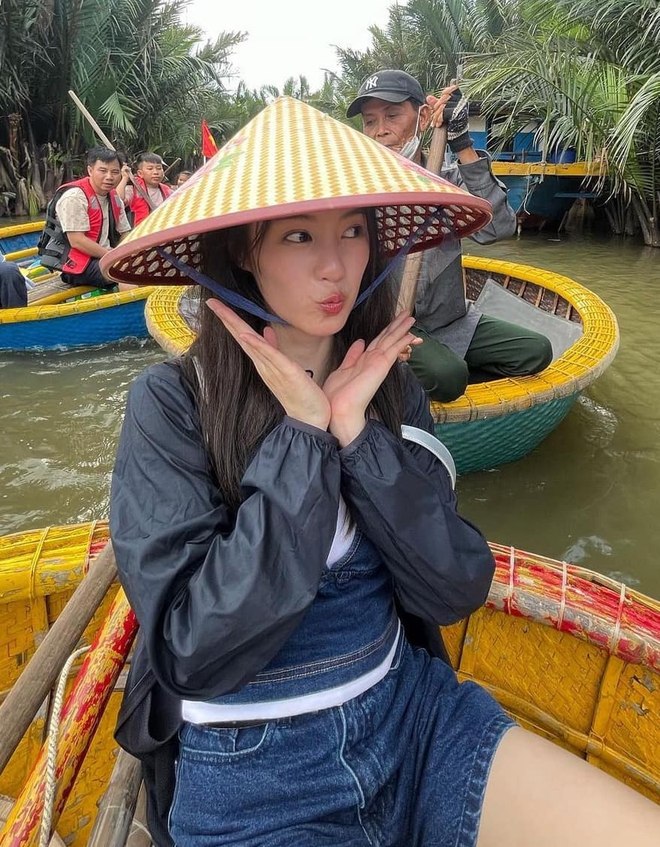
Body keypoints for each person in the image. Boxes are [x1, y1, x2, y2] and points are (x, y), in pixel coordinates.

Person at [103, 98, 660, 847]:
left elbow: (454, 587)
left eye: (354, 231)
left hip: (413, 717)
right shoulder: (172, 404)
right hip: (252, 771)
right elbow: (194, 650)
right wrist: (304, 437)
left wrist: (359, 436)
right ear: (243, 252)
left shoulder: (391, 387)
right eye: (299, 235)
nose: (335, 265)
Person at [348, 70, 553, 401]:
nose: (380, 130)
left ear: (423, 118)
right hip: (389, 325)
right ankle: (409, 375)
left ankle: (436, 371)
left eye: (392, 115)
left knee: (536, 351)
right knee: (447, 376)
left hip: (453, 321)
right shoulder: (359, 190)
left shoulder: (449, 182)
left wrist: (461, 143)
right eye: (370, 122)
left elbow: (498, 228)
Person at [38, 146, 134, 291]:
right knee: (124, 273)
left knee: (142, 266)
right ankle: (132, 304)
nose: (109, 177)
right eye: (103, 171)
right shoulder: (75, 197)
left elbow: (125, 233)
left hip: (105, 255)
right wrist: (113, 257)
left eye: (115, 172)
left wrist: (127, 253)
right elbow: (77, 241)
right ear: (90, 170)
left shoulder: (114, 197)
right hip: (76, 263)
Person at [117, 152, 173, 227]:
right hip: (141, 231)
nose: (156, 172)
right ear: (140, 173)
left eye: (159, 168)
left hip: (163, 230)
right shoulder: (134, 189)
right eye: (150, 169)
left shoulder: (168, 191)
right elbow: (117, 201)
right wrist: (124, 178)